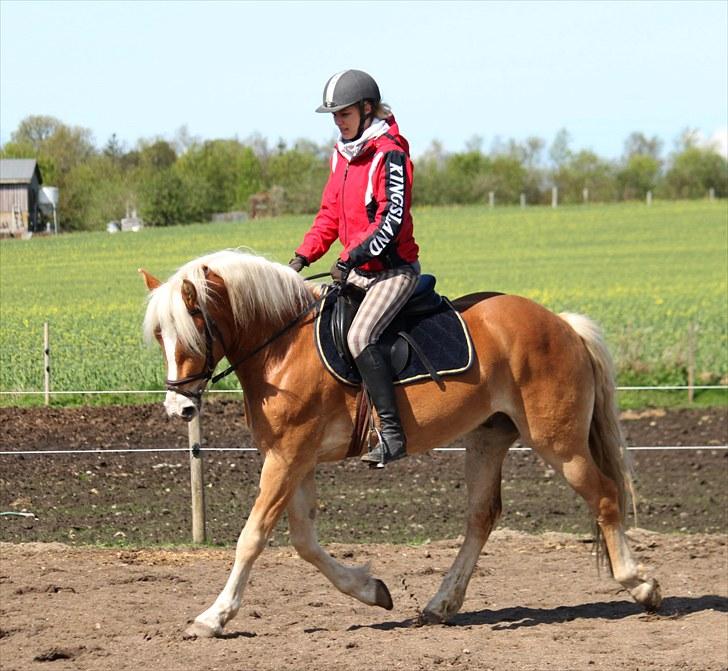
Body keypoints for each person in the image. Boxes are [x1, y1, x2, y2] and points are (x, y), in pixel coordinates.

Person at [289, 69, 420, 466]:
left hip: (392, 270)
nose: (338, 121)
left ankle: (393, 435)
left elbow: (391, 220)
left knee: (361, 335)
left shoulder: (390, 152)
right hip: (357, 270)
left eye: (343, 113)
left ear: (366, 109)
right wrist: (302, 256)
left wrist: (351, 258)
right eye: (334, 115)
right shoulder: (341, 155)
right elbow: (329, 214)